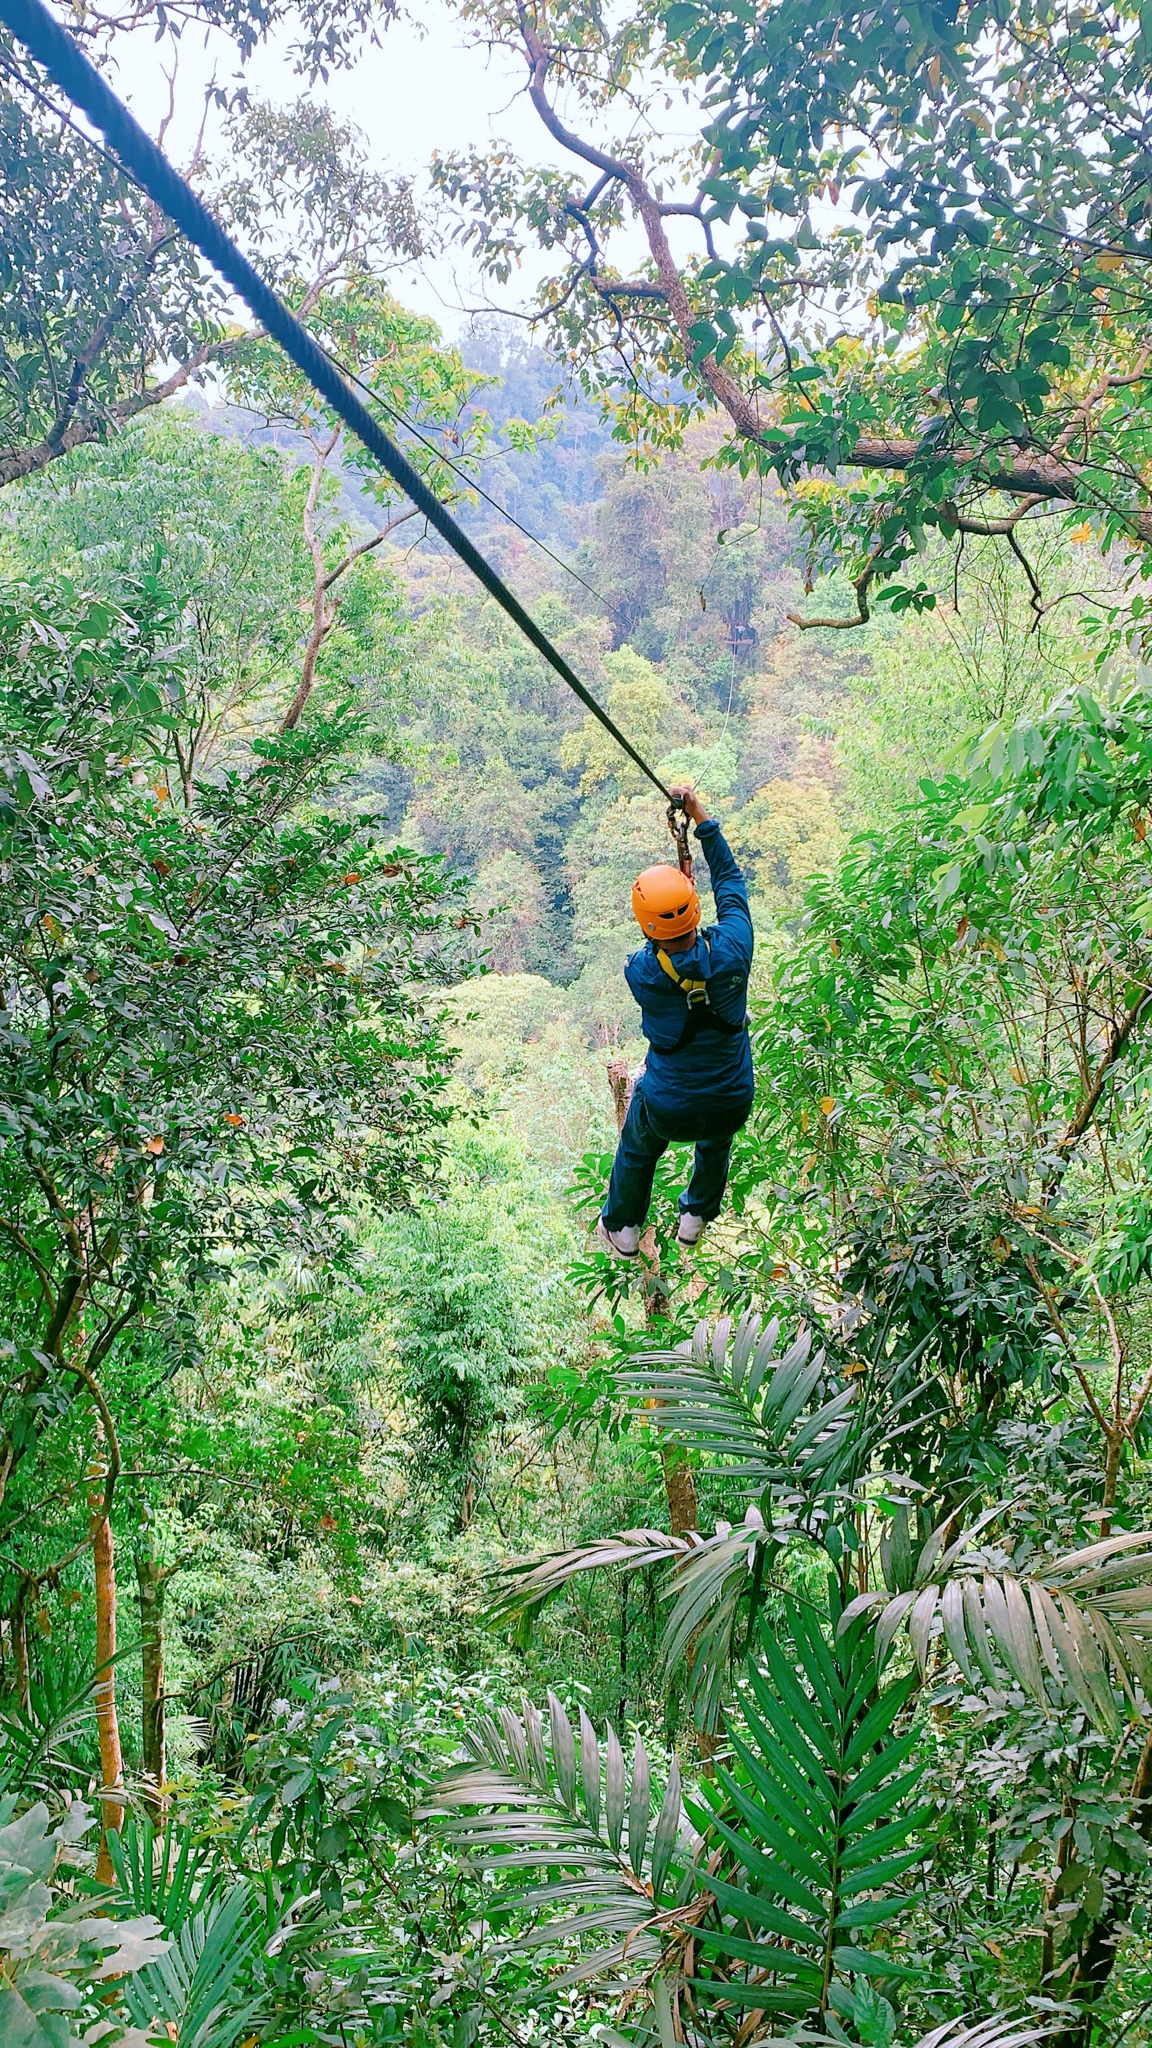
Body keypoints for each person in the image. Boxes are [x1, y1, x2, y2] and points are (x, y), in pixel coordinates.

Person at [598, 783, 754, 1256]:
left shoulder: (641, 973)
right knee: (716, 1131)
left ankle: (623, 1225)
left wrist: (664, 922)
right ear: (696, 910)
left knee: (639, 1143)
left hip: (669, 1108)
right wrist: (699, 817)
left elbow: (654, 949)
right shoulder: (735, 950)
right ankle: (697, 1215)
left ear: (647, 926)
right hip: (732, 1100)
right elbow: (730, 881)